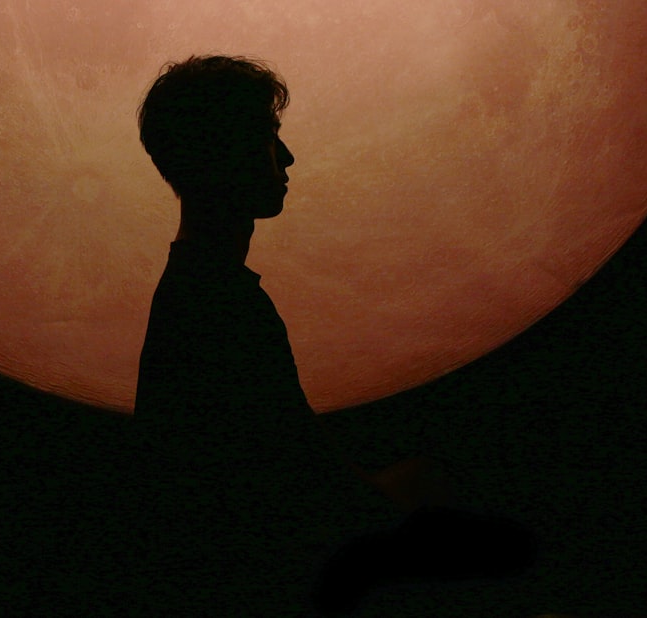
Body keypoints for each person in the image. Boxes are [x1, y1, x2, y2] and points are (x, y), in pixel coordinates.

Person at [128, 55, 536, 614]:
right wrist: (410, 494)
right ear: (224, 151)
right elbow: (311, 497)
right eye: (269, 136)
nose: (288, 156)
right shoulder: (222, 307)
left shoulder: (199, 294)